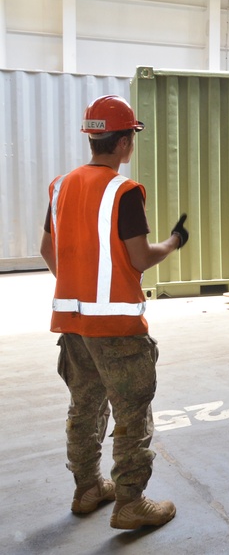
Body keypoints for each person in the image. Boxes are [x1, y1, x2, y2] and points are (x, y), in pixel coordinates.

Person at [39, 95, 189, 530]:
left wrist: (76, 287)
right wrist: (175, 241)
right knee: (132, 413)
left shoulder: (60, 186)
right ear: (125, 142)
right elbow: (139, 258)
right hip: (118, 329)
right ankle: (130, 501)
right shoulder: (123, 192)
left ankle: (87, 488)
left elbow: (48, 249)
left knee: (84, 406)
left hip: (73, 324)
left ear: (92, 137)